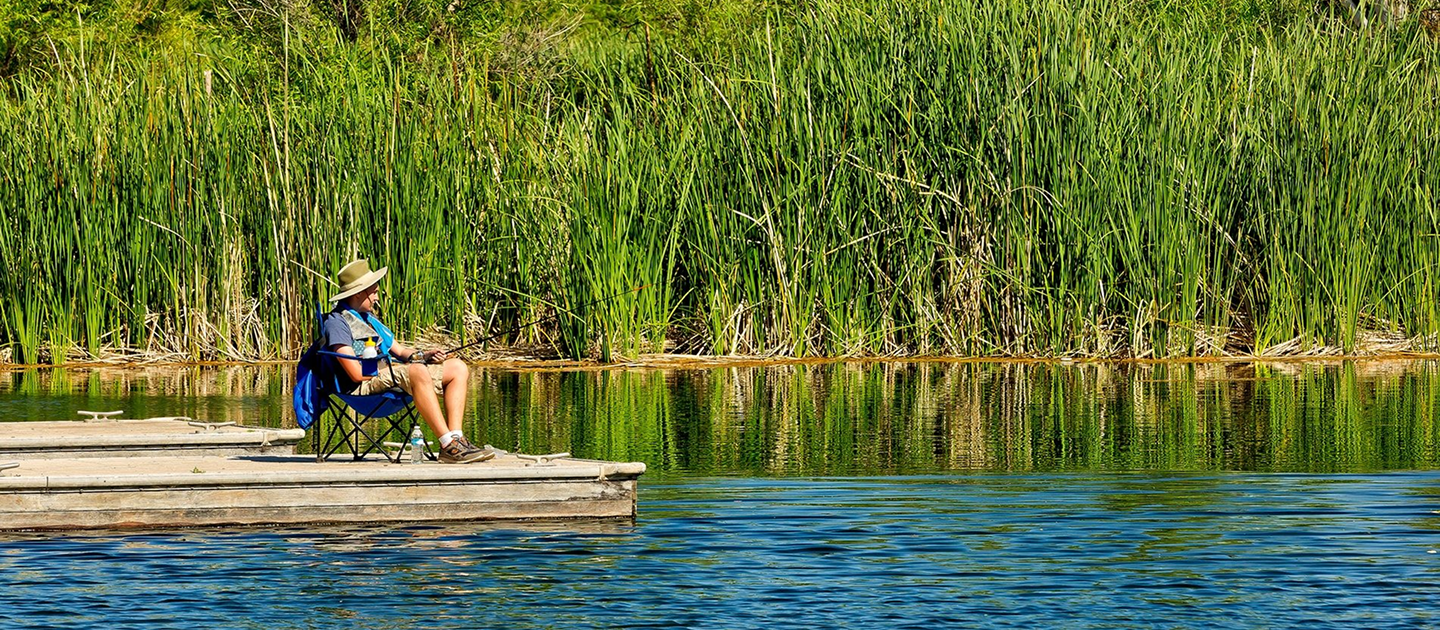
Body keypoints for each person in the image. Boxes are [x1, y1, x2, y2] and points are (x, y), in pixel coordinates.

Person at [321, 258, 493, 464]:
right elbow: (356, 374)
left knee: (457, 368)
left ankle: (457, 440)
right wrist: (398, 368)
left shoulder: (369, 320)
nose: (377, 297)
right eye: (374, 292)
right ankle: (447, 444)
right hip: (361, 388)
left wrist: (425, 356)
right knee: (416, 372)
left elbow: (401, 351)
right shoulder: (337, 323)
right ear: (359, 293)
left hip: (389, 377)